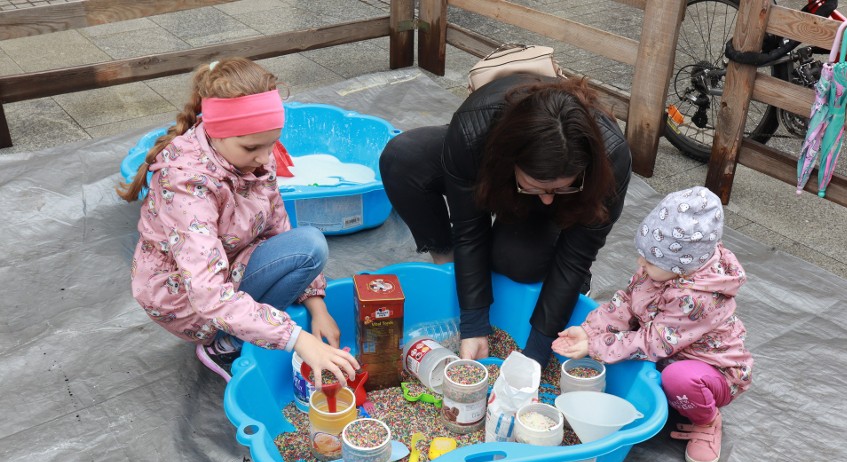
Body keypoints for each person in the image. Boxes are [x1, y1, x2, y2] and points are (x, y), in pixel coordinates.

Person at [117, 57, 358, 385]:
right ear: (217, 133)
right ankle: (223, 345)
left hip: (231, 260)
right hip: (184, 297)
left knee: (310, 245)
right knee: (300, 254)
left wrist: (318, 307)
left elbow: (277, 225)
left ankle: (245, 330)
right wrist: (298, 338)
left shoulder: (254, 155)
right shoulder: (187, 185)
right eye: (251, 147)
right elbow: (207, 293)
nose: (264, 157)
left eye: (272, 142)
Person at [379, 73, 632, 369]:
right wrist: (473, 324)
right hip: (489, 156)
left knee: (517, 261)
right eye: (536, 186)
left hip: (554, 192)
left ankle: (564, 267)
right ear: (509, 161)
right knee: (403, 158)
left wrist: (537, 351)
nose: (548, 198)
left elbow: (576, 255)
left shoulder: (611, 159)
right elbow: (470, 228)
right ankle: (449, 268)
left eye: (561, 187)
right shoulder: (473, 132)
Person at [553, 187, 754, 462]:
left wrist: (596, 346)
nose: (640, 264)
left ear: (682, 267)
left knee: (678, 379)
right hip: (668, 347)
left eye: (648, 260)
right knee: (638, 355)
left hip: (710, 371)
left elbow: (653, 343)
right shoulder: (661, 268)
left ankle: (707, 421)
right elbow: (628, 301)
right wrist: (590, 330)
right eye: (642, 256)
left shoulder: (695, 299)